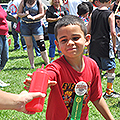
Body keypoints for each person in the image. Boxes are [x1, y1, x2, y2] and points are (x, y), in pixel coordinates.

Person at [24, 15, 115, 120]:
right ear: (57, 45)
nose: (70, 43)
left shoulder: (92, 65)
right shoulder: (56, 67)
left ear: (87, 39)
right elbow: (49, 74)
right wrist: (40, 81)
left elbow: (97, 97)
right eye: (64, 40)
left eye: (75, 38)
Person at [87, 0, 120, 99]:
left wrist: (88, 45)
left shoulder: (93, 13)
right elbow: (113, 33)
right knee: (111, 68)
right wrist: (114, 46)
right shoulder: (110, 14)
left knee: (97, 69)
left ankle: (96, 91)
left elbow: (88, 30)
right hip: (105, 45)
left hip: (94, 45)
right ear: (109, 1)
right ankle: (109, 91)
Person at [18, 0, 49, 69]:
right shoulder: (23, 2)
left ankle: (48, 63)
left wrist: (34, 17)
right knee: (29, 45)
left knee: (41, 44)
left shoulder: (38, 2)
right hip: (25, 25)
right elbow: (19, 13)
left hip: (36, 25)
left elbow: (42, 13)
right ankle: (32, 65)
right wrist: (25, 14)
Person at [0, 5, 10, 87]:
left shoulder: (0, 6)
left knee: (5, 57)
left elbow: (4, 19)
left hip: (4, 35)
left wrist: (6, 32)